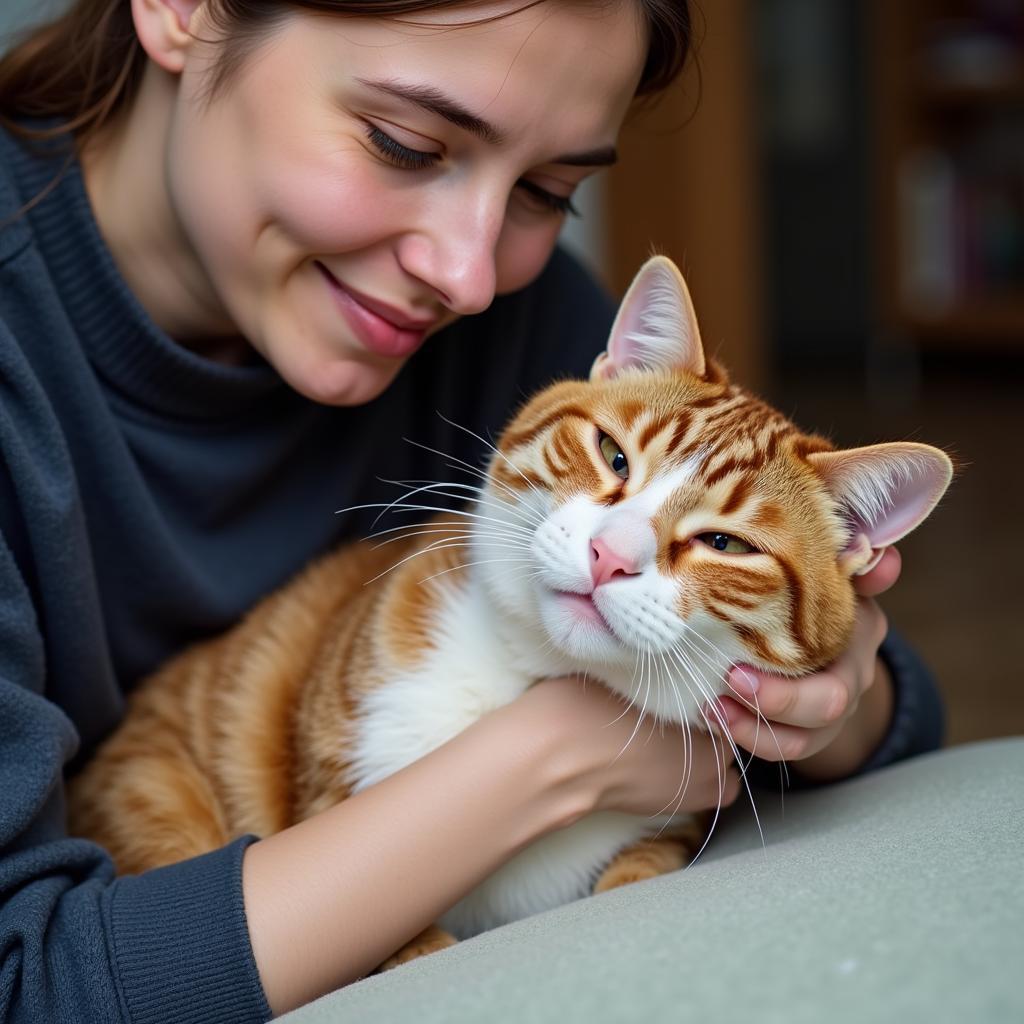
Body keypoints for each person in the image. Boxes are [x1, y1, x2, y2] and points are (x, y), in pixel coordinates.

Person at [0, 1, 943, 1021]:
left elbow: (899, 713)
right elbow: (29, 985)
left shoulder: (517, 321)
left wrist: (823, 697)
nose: (466, 271)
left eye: (549, 191)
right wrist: (551, 750)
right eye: (405, 144)